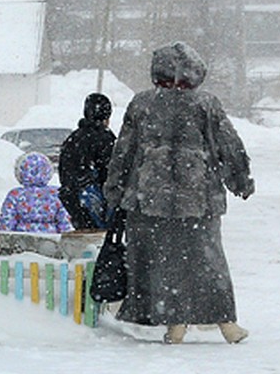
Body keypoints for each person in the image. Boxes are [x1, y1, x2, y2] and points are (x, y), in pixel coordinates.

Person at [104, 41, 255, 345]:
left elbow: (124, 151)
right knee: (206, 262)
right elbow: (228, 146)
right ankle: (226, 322)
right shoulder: (205, 104)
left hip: (149, 202)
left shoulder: (142, 104)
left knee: (163, 265)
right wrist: (240, 181)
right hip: (198, 201)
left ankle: (175, 322)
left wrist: (115, 190)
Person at [58, 92, 116, 230]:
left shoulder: (74, 138)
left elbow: (64, 170)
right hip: (94, 199)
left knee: (85, 237)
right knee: (99, 239)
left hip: (72, 197)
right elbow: (111, 170)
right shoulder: (106, 138)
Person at [0, 151, 74, 233]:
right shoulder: (56, 194)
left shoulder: (15, 195)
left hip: (21, 241)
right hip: (50, 242)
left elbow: (7, 222)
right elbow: (64, 222)